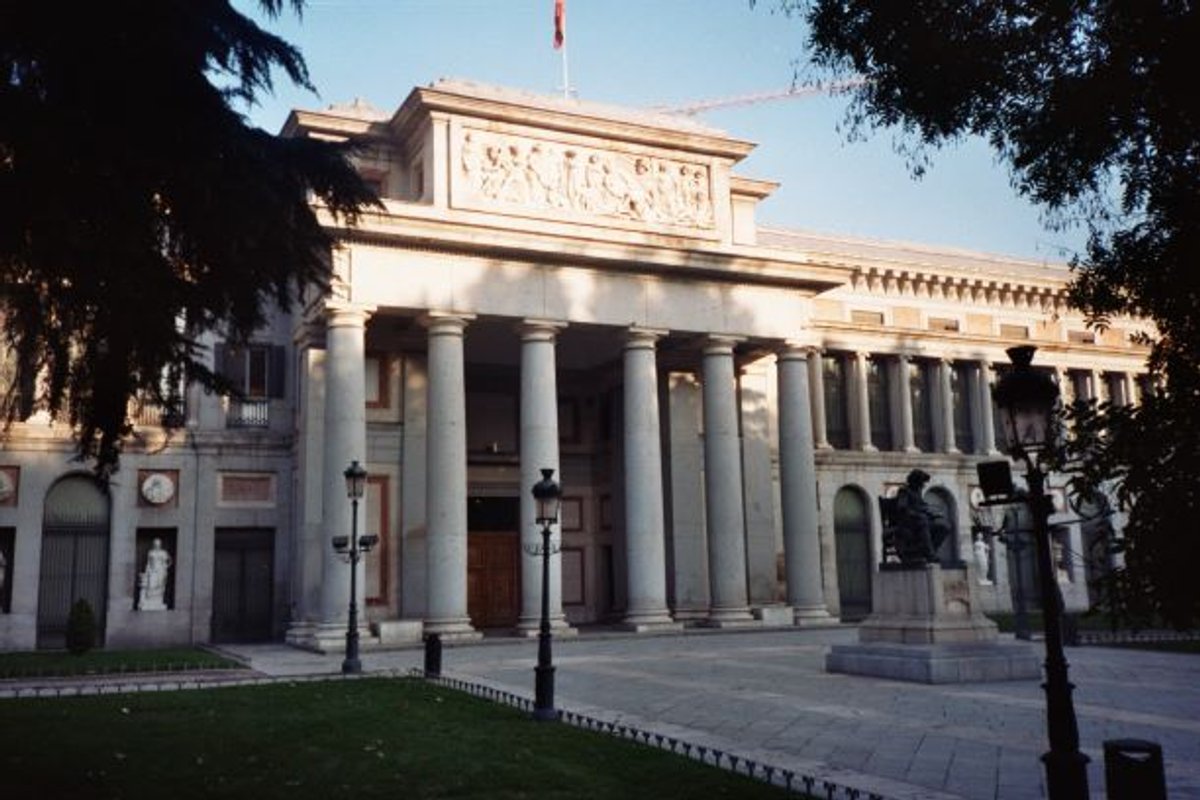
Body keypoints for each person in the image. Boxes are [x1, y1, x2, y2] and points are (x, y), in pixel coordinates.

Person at [894, 469, 952, 563]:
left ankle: (930, 550)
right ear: (915, 481)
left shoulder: (918, 492)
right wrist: (917, 514)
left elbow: (923, 506)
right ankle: (930, 554)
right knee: (923, 521)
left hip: (921, 522)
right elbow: (902, 508)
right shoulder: (904, 491)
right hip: (908, 523)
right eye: (921, 483)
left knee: (944, 526)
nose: (923, 485)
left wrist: (933, 513)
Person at [138, 538, 172, 611]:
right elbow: (148, 563)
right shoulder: (151, 552)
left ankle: (158, 601)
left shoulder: (163, 552)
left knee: (159, 585)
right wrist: (147, 571)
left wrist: (165, 567)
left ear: (160, 545)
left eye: (158, 544)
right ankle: (149, 601)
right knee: (151, 584)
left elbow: (169, 561)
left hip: (161, 570)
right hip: (152, 570)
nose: (156, 545)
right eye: (155, 544)